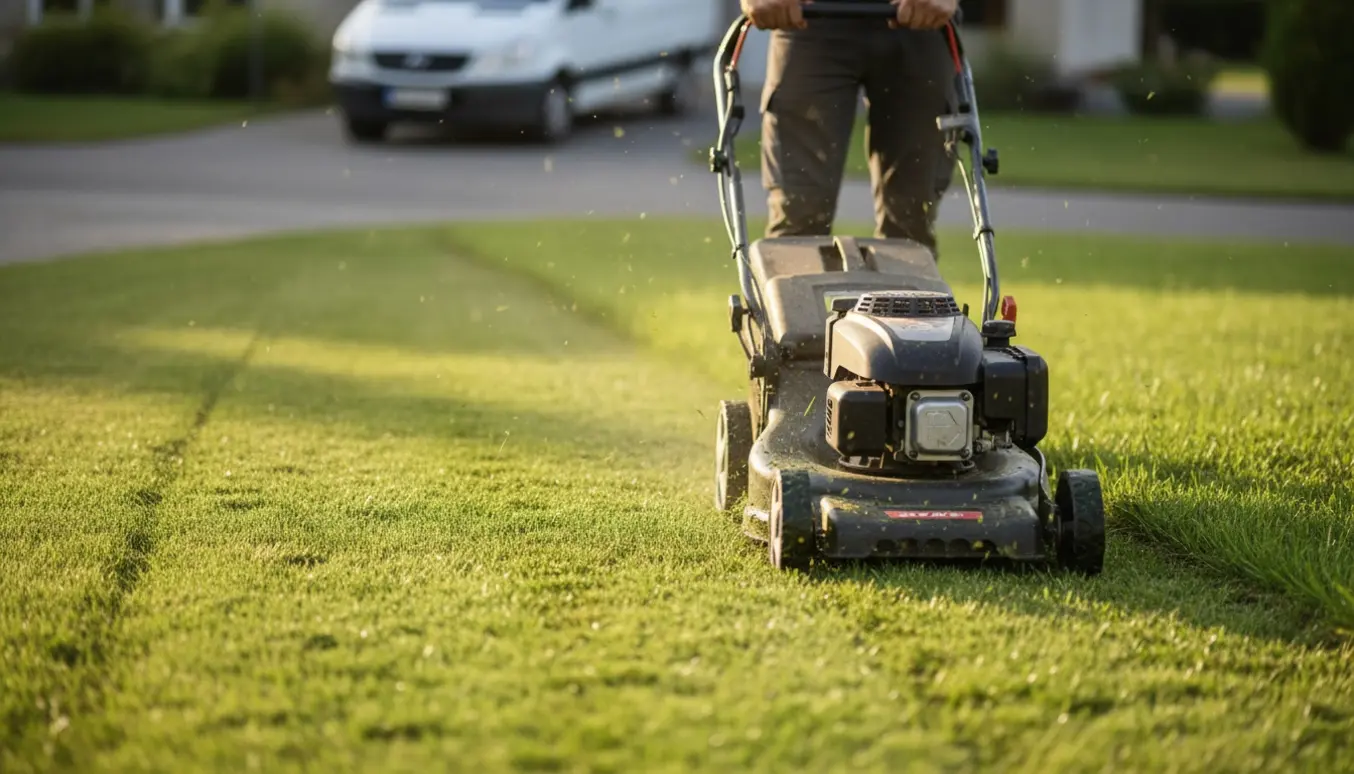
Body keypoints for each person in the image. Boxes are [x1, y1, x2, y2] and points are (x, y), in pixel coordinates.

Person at [741, 0, 960, 257]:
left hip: (921, 20)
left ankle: (906, 296)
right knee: (798, 222)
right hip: (806, 19)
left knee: (911, 224)